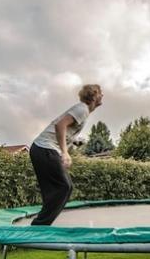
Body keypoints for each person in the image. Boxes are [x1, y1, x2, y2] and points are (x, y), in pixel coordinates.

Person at [29, 84, 104, 225]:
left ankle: (40, 224)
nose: (103, 95)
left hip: (40, 149)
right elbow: (60, 125)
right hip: (46, 148)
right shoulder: (82, 109)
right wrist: (65, 152)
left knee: (54, 190)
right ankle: (40, 225)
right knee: (65, 187)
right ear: (93, 96)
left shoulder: (82, 110)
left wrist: (74, 141)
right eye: (100, 93)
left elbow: (64, 128)